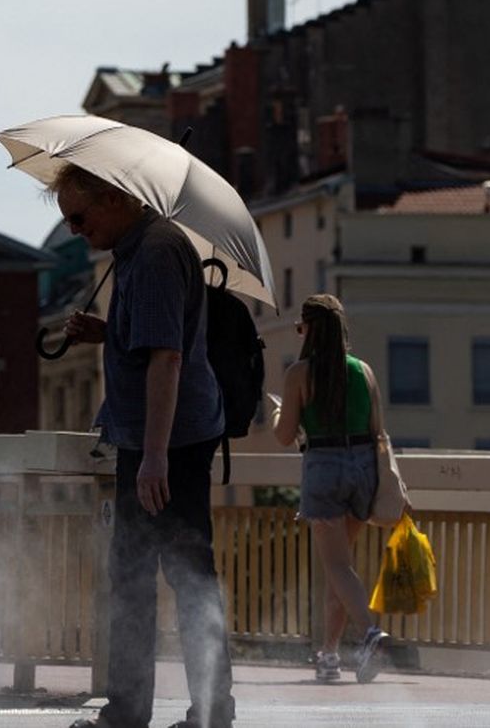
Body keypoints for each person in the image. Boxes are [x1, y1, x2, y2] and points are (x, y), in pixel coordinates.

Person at [54, 164, 234, 728]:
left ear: (112, 197)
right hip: (160, 437)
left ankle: (162, 713)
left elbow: (167, 357)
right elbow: (155, 339)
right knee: (167, 576)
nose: (75, 230)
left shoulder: (154, 252)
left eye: (79, 217)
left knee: (161, 578)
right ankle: (195, 711)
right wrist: (104, 333)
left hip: (167, 443)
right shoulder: (140, 251)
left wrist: (153, 457)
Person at [271, 294, 389, 684]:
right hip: (363, 468)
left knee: (336, 566)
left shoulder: (299, 373)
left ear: (308, 328)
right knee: (341, 568)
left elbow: (285, 436)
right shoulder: (365, 372)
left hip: (324, 467)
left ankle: (370, 634)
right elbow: (377, 430)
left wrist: (278, 413)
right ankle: (329, 655)